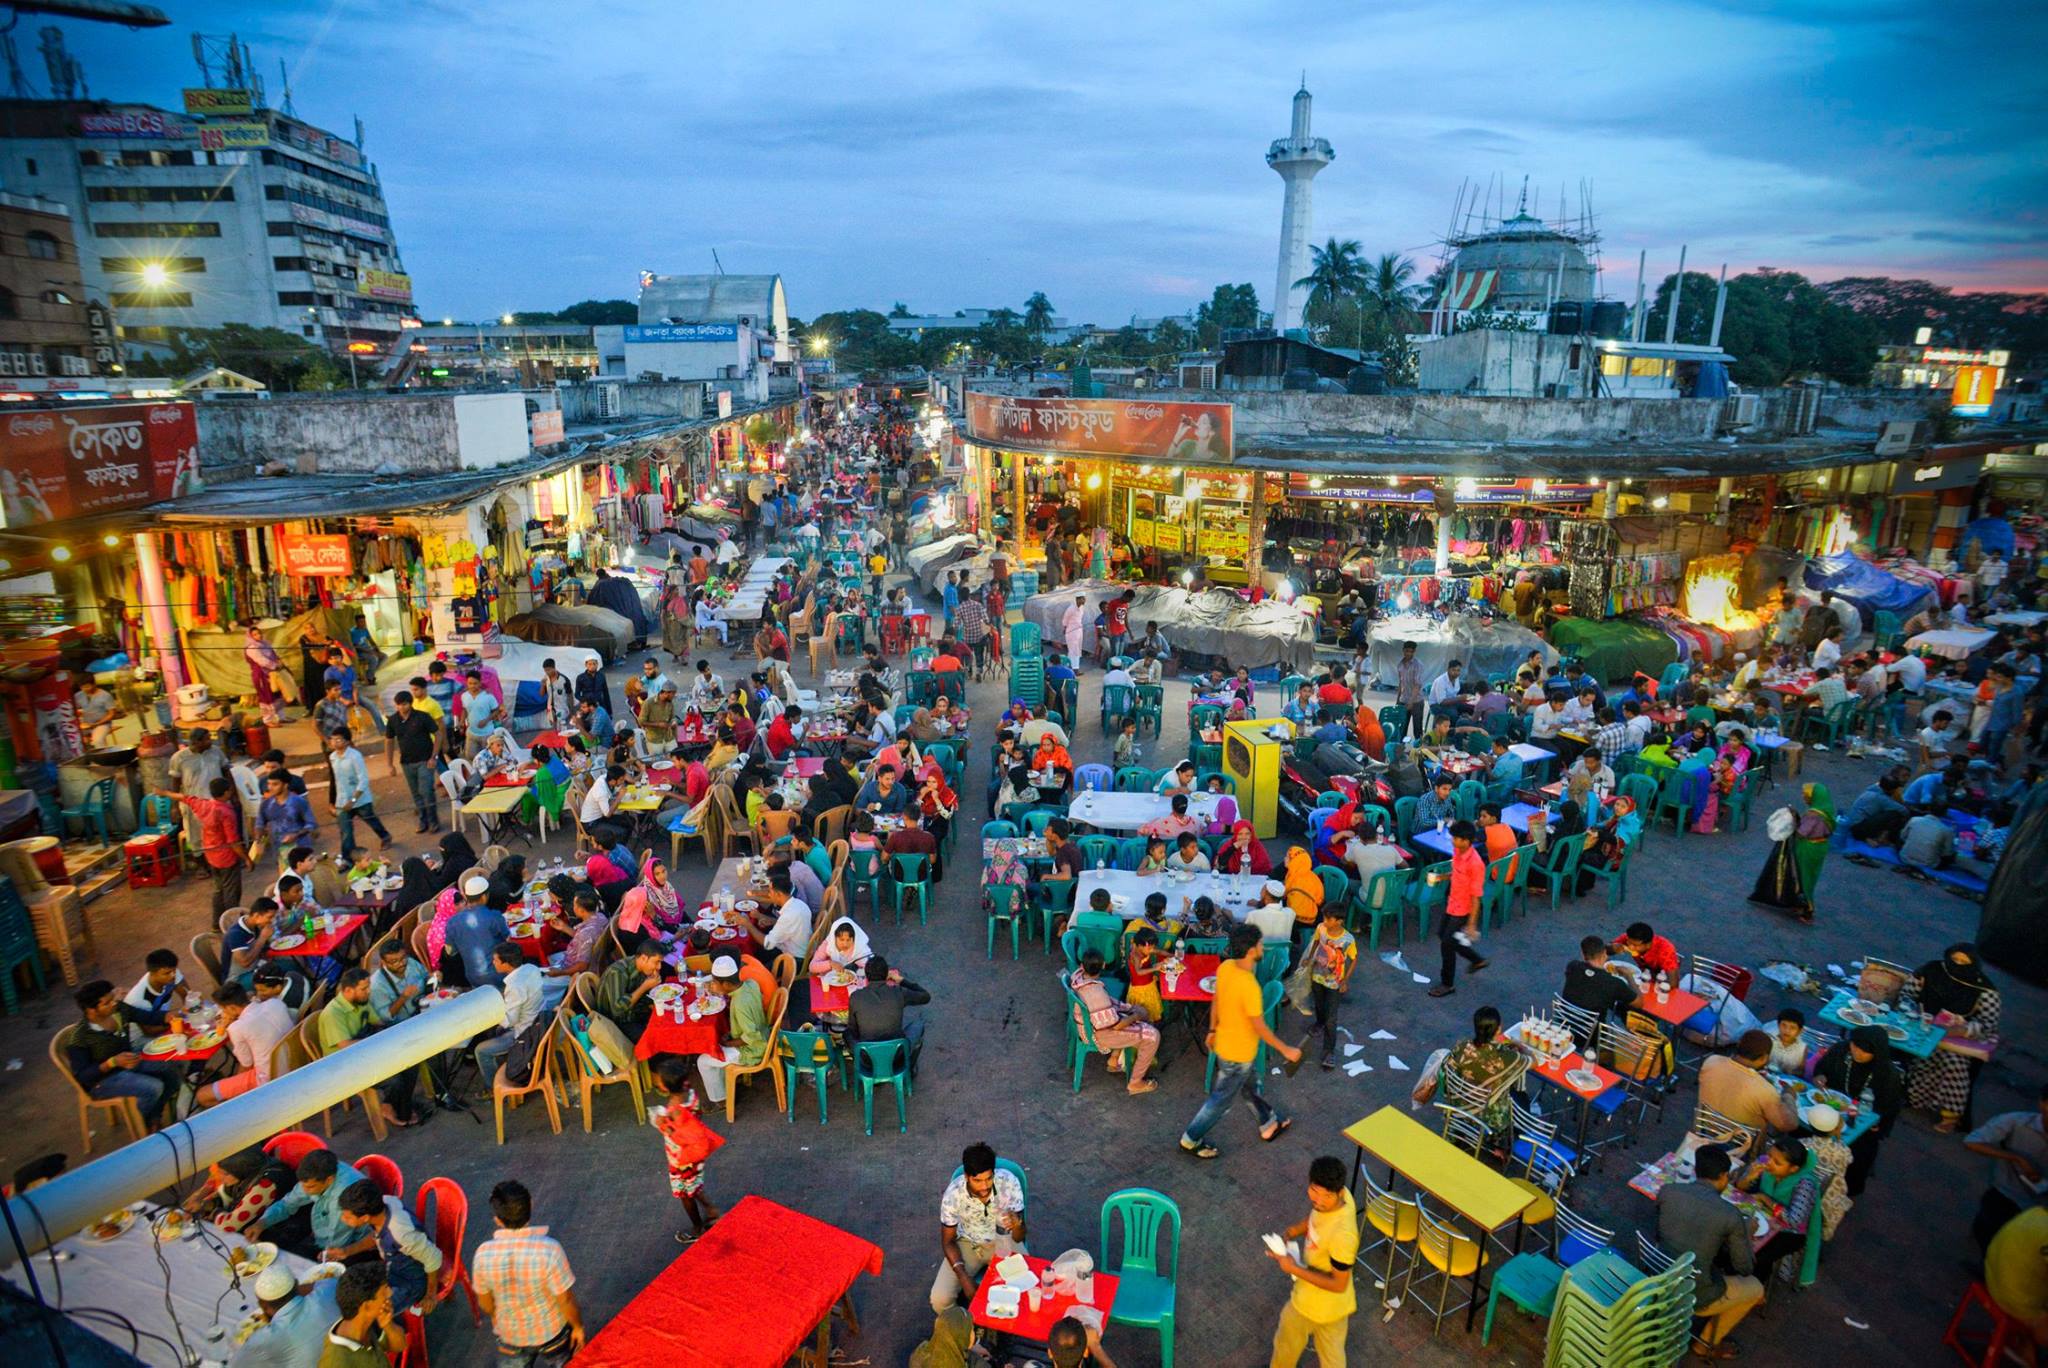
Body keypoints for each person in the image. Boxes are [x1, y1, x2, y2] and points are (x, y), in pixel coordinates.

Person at [1180, 924, 1301, 1158]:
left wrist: (1212, 1030)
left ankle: (1268, 1124)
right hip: (1239, 1053)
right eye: (1259, 943)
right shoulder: (1249, 985)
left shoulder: (1226, 967)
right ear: (1250, 950)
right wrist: (1285, 1049)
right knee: (1220, 1101)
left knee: (1250, 1087)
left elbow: (1216, 999)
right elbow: (1259, 1026)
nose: (1262, 947)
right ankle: (1191, 1138)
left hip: (1228, 1045)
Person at [1658, 1143, 1760, 1357]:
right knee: (1755, 1289)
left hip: (1657, 1271)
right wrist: (1748, 1235)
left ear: (1696, 1171)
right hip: (1692, 1291)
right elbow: (1744, 1267)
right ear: (1724, 1176)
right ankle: (1704, 1344)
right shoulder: (1731, 1215)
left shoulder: (1668, 1190)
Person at [1266, 1154, 1360, 1368]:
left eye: (1326, 1196)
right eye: (1314, 1192)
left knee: (1286, 1343)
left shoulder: (1343, 1236)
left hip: (1310, 1303)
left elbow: (1338, 1283)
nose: (1318, 1201)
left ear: (1338, 1192)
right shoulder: (1343, 1197)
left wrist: (1292, 1268)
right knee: (1332, 1356)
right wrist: (1294, 1230)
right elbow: (1316, 1218)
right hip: (1338, 1308)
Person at [1907, 942, 2002, 1131]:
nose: (1957, 964)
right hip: (1922, 1025)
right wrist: (1914, 1013)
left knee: (1954, 1061)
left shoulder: (1985, 990)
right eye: (1954, 959)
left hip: (1955, 1038)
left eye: (1963, 962)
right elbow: (1908, 994)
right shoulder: (1931, 970)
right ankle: (1916, 1098)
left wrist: (1962, 1029)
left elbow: (1988, 1024)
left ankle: (1951, 1115)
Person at [64, 978, 183, 1128]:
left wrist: (165, 1017)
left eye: (112, 999)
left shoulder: (118, 1010)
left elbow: (144, 1016)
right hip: (103, 1080)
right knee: (154, 1087)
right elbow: (83, 1076)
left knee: (172, 1067)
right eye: (106, 1003)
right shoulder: (79, 1038)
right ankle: (143, 1125)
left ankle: (155, 1115)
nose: (113, 1003)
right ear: (91, 1010)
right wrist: (112, 1062)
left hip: (129, 1060)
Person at [932, 1141, 1028, 1312]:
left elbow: (1019, 1237)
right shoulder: (953, 1195)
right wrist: (964, 1278)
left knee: (1027, 1289)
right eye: (977, 1181)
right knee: (939, 1299)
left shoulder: (1009, 1182)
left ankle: (1005, 1330)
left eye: (988, 1178)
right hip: (968, 1243)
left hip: (1003, 1240)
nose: (984, 1187)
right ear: (967, 1177)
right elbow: (948, 1242)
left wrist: (1018, 1224)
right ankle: (964, 1332)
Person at [1812, 1024, 1905, 1197]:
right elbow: (1821, 1067)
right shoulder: (1841, 1051)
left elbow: (1890, 1107)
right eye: (1855, 1046)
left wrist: (1879, 1124)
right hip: (1828, 1107)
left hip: (1861, 1121)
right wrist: (1820, 1076)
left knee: (1861, 1150)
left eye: (1864, 1051)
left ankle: (1844, 1191)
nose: (1857, 1052)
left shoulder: (1887, 1075)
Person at [320, 969, 419, 1129]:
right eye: (364, 989)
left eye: (368, 987)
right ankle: (392, 1107)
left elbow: (378, 1021)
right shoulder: (333, 1014)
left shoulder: (361, 1001)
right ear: (348, 990)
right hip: (345, 1065)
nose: (368, 992)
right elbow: (345, 1046)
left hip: (367, 1053)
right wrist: (377, 1043)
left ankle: (397, 1105)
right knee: (394, 1080)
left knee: (411, 1064)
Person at [331, 1178, 444, 1313]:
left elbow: (434, 1258)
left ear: (365, 1218)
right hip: (392, 1267)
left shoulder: (401, 1234)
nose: (343, 1219)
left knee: (374, 1313)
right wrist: (346, 1251)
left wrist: (430, 1294)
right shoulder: (383, 1203)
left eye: (347, 1217)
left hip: (411, 1281)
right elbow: (377, 1236)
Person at [649, 1055, 726, 1244]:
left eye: (658, 1081)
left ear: (665, 1088)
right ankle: (711, 1210)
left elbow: (675, 1134)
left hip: (682, 1158)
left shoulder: (675, 1110)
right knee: (694, 1185)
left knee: (685, 1194)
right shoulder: (691, 1094)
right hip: (696, 1155)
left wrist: (661, 1123)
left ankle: (698, 1228)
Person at [1069, 948, 1160, 1094]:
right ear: (1104, 965)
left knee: (1133, 1012)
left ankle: (1114, 1060)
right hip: (1098, 1033)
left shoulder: (1078, 976)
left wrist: (1131, 1008)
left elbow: (1111, 1008)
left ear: (1082, 965)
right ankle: (1135, 1083)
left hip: (1089, 1021)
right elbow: (1116, 1026)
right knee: (1152, 1036)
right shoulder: (1097, 995)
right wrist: (1136, 1015)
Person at [1734, 1137, 1823, 1286]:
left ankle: (1755, 1286)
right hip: (1763, 1216)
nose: (1769, 1162)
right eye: (1770, 1156)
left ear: (1793, 1169)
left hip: (1790, 1232)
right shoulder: (1764, 1164)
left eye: (1777, 1162)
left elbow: (1794, 1220)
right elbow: (1739, 1189)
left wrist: (1764, 1198)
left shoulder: (1805, 1183)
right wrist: (1749, 1177)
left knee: (1757, 1254)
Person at [258, 1150, 367, 1261]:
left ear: (329, 1180)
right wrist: (261, 1223)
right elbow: (288, 1203)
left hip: (355, 1244)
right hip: (324, 1232)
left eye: (311, 1187)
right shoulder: (315, 1177)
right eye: (302, 1185)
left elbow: (337, 1240)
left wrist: (323, 1256)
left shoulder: (343, 1195)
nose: (305, 1191)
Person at [693, 956, 770, 1107]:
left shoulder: (740, 1004)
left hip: (752, 1050)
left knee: (702, 1061)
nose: (713, 985)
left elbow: (751, 1037)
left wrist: (728, 1043)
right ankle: (725, 1082)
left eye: (715, 982)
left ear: (726, 984)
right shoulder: (751, 983)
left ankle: (721, 1101)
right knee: (714, 1046)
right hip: (764, 1035)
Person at [230, 1262, 340, 1367]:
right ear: (297, 1285)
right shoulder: (327, 1291)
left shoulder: (263, 1339)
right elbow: (324, 1283)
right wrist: (289, 1289)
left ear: (263, 1306)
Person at [1698, 1031, 1799, 1144]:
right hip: (1740, 1144)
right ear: (1764, 1058)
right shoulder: (1765, 1091)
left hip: (1707, 1129)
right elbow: (1788, 1124)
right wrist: (1789, 1095)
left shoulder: (1711, 1061)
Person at [1429, 820, 1488, 998]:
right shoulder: (1458, 851)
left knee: (1447, 944)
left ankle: (1447, 983)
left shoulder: (1476, 864)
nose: (1453, 841)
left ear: (1467, 841)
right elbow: (1456, 872)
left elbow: (1476, 897)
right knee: (1443, 936)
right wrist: (1442, 877)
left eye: (1457, 838)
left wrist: (1471, 924)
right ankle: (1477, 959)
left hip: (1463, 909)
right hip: (1452, 902)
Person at [475, 943, 545, 1082]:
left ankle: (491, 1088)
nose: (493, 963)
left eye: (495, 960)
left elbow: (509, 1021)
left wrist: (488, 1013)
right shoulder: (531, 968)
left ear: (506, 964)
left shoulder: (515, 986)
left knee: (480, 1050)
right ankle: (506, 1059)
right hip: (539, 1020)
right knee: (496, 1032)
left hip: (526, 1034)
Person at [1301, 903, 1356, 1070]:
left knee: (1332, 1018)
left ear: (1339, 921)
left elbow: (1353, 960)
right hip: (1317, 976)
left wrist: (1345, 981)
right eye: (1324, 918)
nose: (1324, 921)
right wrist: (1309, 959)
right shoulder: (1321, 928)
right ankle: (1319, 1023)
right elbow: (1316, 943)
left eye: (1328, 919)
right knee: (1318, 1004)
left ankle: (1329, 1051)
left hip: (1334, 982)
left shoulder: (1348, 940)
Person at [1561, 935, 1638, 1028]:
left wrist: (1608, 950)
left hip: (1564, 1024)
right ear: (1604, 953)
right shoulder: (1614, 984)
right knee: (1622, 1007)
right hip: (1592, 1036)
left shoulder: (1573, 966)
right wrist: (1629, 976)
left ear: (1582, 953)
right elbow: (1638, 1003)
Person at [1768, 1008, 1810, 1075]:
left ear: (1799, 1031)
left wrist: (1790, 1074)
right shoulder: (1769, 1039)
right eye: (1783, 1025)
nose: (1787, 1030)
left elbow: (1801, 1071)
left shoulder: (1802, 1048)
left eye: (1792, 1028)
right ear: (1778, 1025)